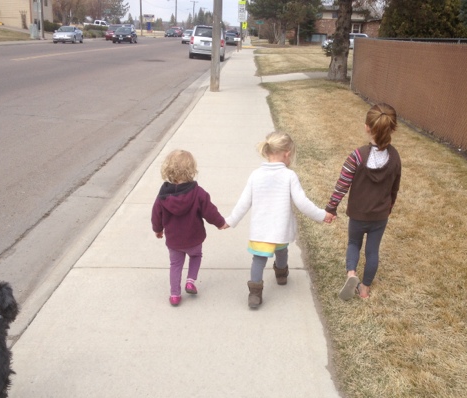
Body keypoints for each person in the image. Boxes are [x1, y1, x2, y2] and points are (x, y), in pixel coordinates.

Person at [225, 132, 335, 308]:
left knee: (258, 260)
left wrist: (231, 220)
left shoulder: (256, 175)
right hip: (280, 228)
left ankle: (255, 293)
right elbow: (302, 203)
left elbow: (243, 202)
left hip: (261, 230)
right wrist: (322, 215)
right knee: (282, 251)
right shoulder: (289, 176)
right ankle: (281, 274)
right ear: (287, 154)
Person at [325, 103, 401, 300]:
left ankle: (351, 273)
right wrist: (388, 207)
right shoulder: (395, 157)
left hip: (358, 214)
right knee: (372, 251)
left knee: (353, 243)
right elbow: (394, 188)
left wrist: (331, 208)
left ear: (367, 127)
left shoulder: (357, 156)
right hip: (380, 216)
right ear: (392, 129)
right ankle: (364, 289)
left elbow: (342, 184)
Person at [151, 150, 227, 306]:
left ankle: (175, 295)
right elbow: (210, 211)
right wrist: (220, 223)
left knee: (175, 265)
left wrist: (158, 229)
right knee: (196, 256)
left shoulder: (163, 196)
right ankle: (190, 281)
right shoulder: (198, 193)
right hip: (194, 238)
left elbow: (156, 214)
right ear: (191, 169)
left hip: (174, 241)